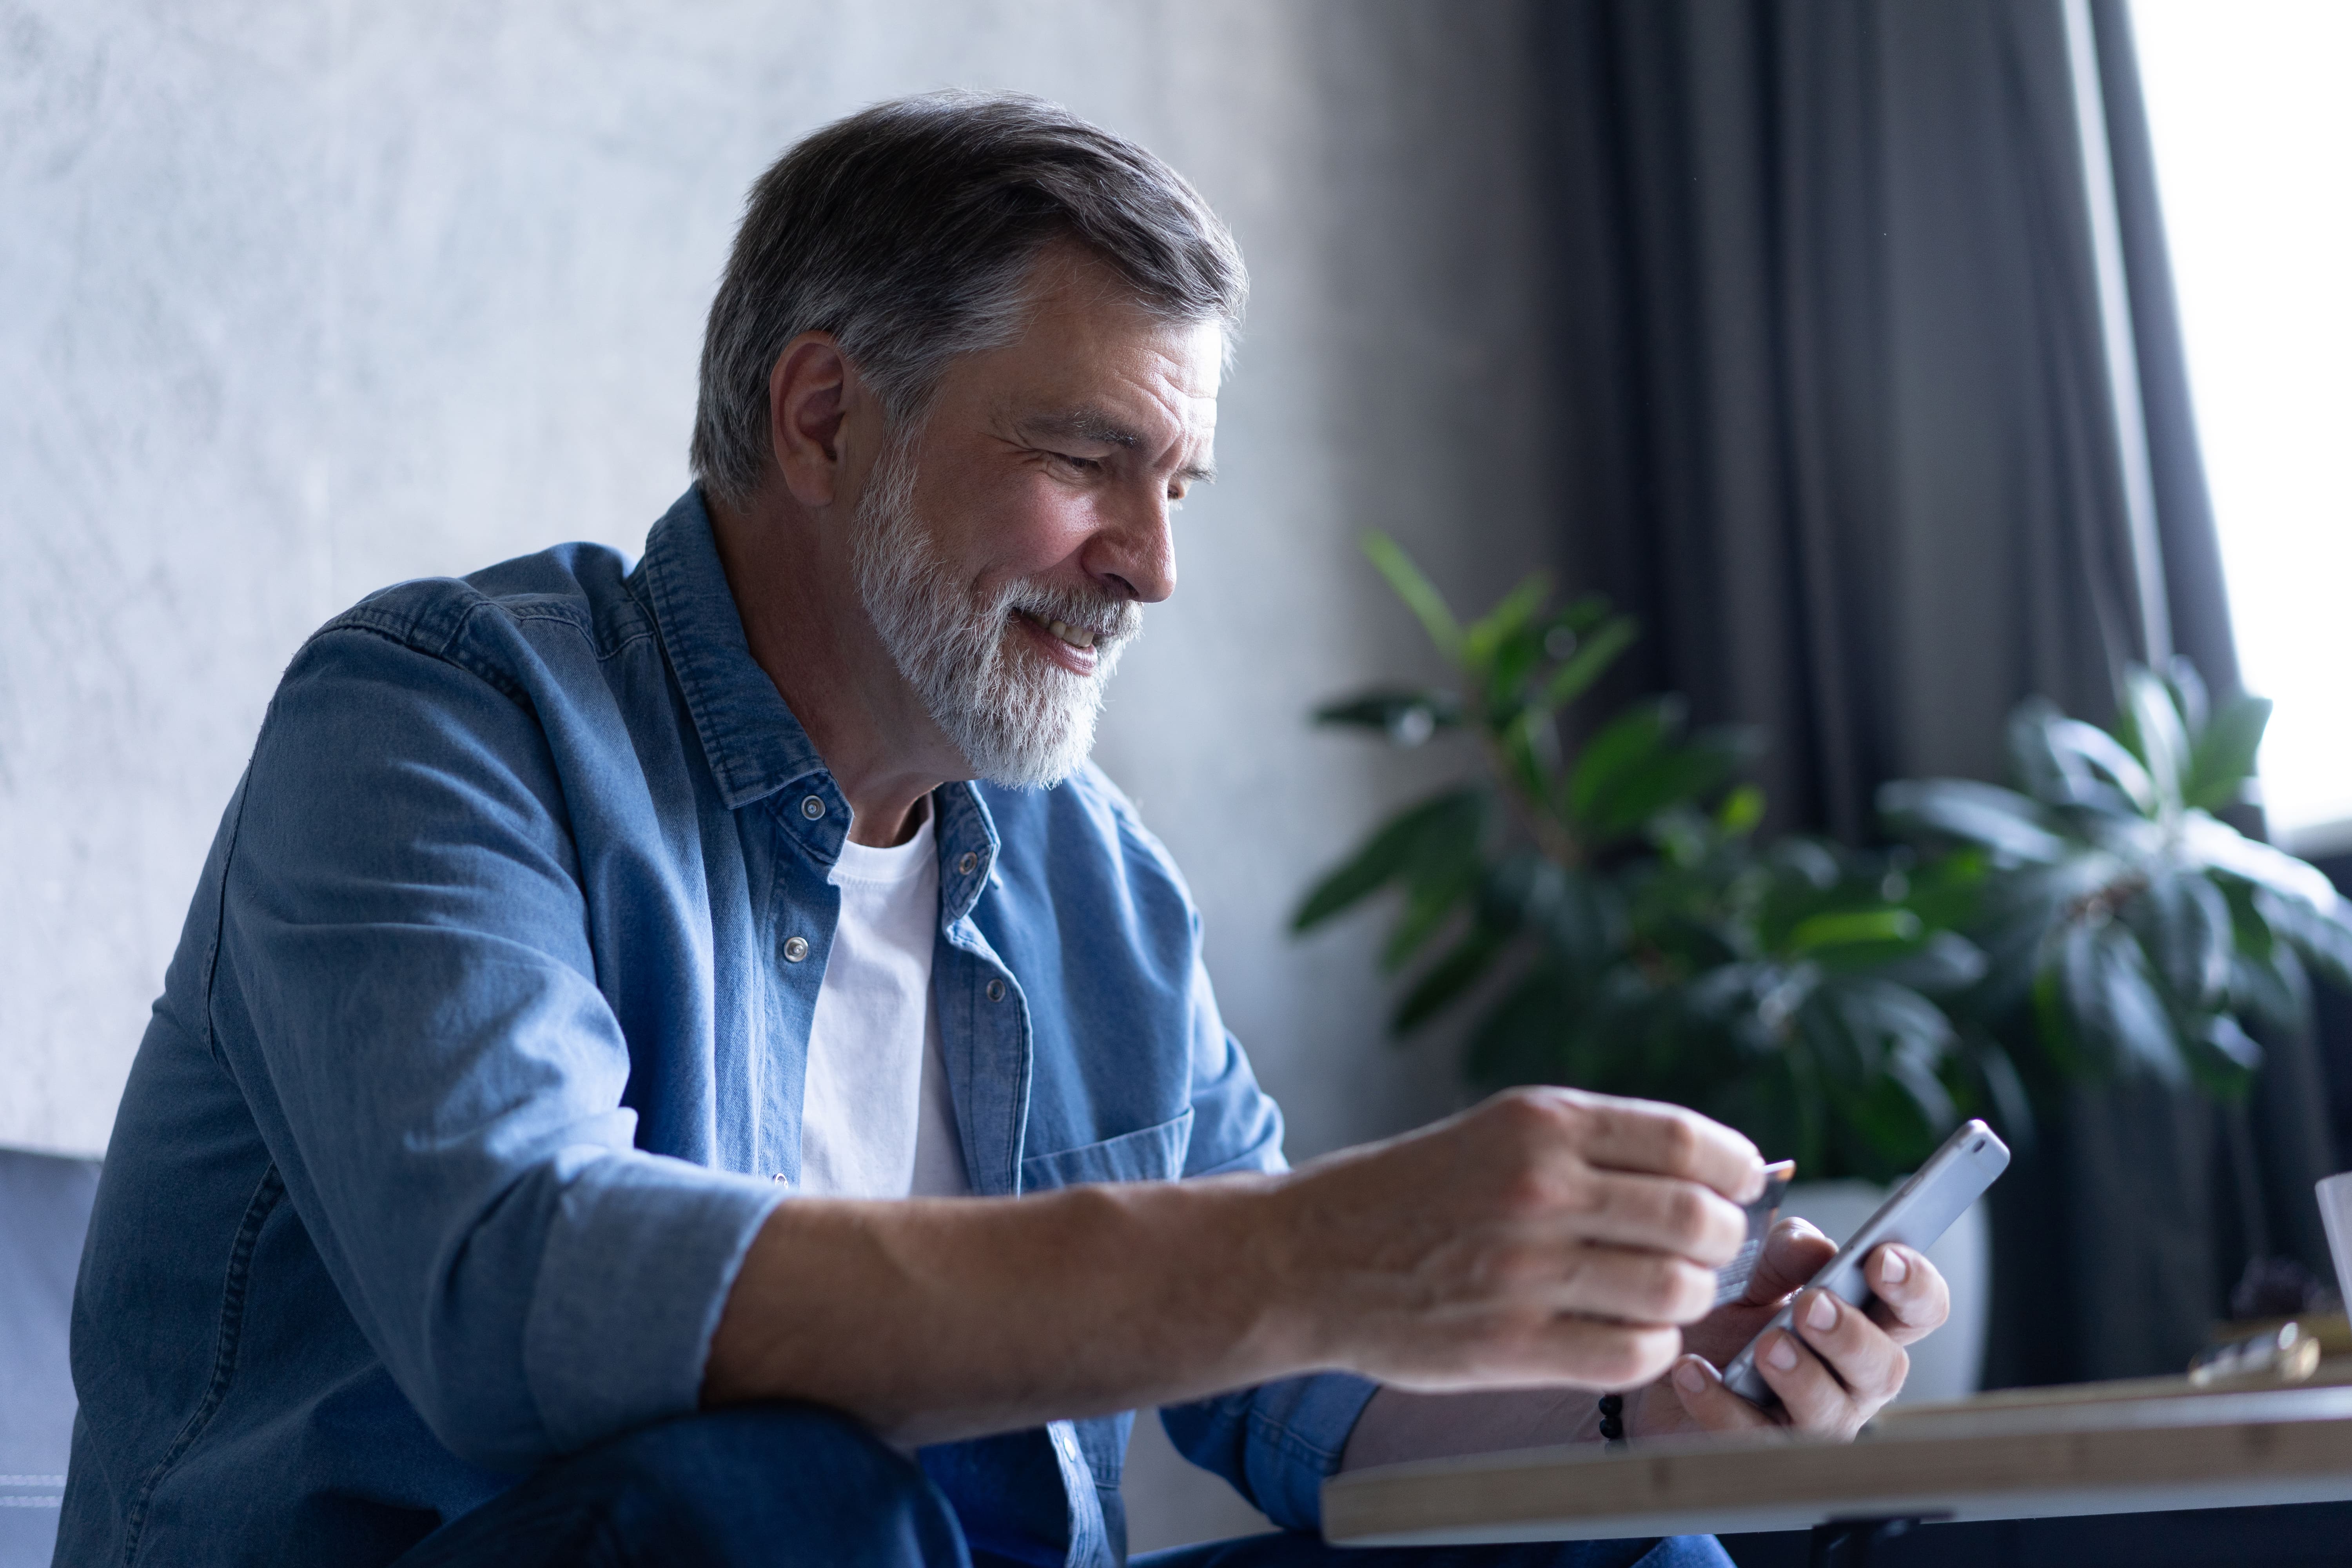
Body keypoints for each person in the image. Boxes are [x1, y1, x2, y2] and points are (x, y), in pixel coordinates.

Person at [56, 93, 1948, 1568]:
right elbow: (525, 1286)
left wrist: (1637, 1415)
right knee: (771, 1498)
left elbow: (1294, 1395)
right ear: (822, 415)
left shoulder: (1081, 868)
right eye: (1084, 459)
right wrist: (1313, 1243)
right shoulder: (441, 715)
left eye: (1179, 480)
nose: (1155, 561)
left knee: (1607, 1548)